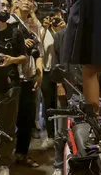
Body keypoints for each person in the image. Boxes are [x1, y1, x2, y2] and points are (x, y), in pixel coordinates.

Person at [11, 0, 44, 168]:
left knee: (27, 119)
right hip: (13, 76)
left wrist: (40, 73)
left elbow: (37, 51)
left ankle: (21, 154)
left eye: (30, 0)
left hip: (29, 75)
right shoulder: (9, 22)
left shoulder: (33, 25)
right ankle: (0, 155)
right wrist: (20, 44)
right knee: (8, 119)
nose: (26, 2)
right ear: (16, 3)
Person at [0, 0, 27, 174]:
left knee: (8, 126)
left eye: (7, 5)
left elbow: (24, 57)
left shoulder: (15, 32)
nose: (5, 8)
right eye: (1, 5)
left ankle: (4, 162)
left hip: (11, 84)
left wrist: (11, 60)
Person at [39, 10, 67, 151]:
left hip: (63, 74)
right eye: (53, 18)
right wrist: (44, 29)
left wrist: (64, 28)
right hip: (47, 72)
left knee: (63, 105)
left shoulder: (65, 31)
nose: (55, 20)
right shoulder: (45, 32)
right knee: (48, 106)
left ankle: (64, 136)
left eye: (58, 17)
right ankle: (50, 136)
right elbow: (39, 47)